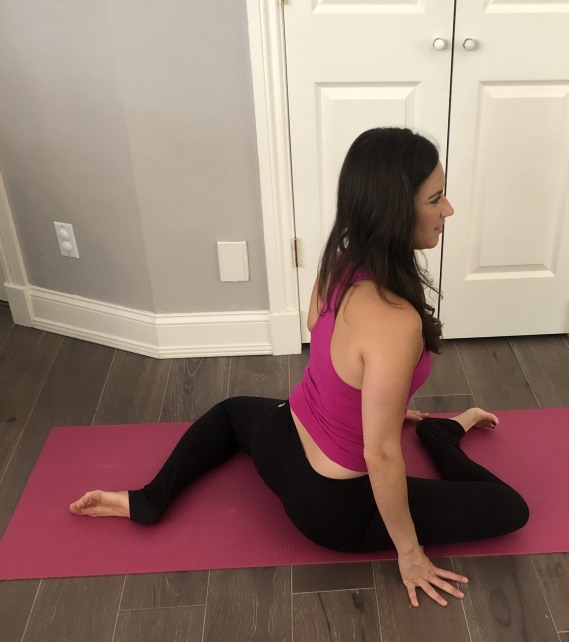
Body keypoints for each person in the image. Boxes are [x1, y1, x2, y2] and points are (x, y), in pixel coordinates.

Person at [70, 127, 529, 608]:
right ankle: (442, 437)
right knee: (510, 509)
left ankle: (148, 499)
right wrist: (410, 553)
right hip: (334, 507)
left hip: (281, 436)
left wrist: (387, 403)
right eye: (435, 199)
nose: (448, 210)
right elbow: (381, 456)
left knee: (231, 411)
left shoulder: (340, 261)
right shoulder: (397, 320)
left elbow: (326, 345)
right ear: (396, 210)